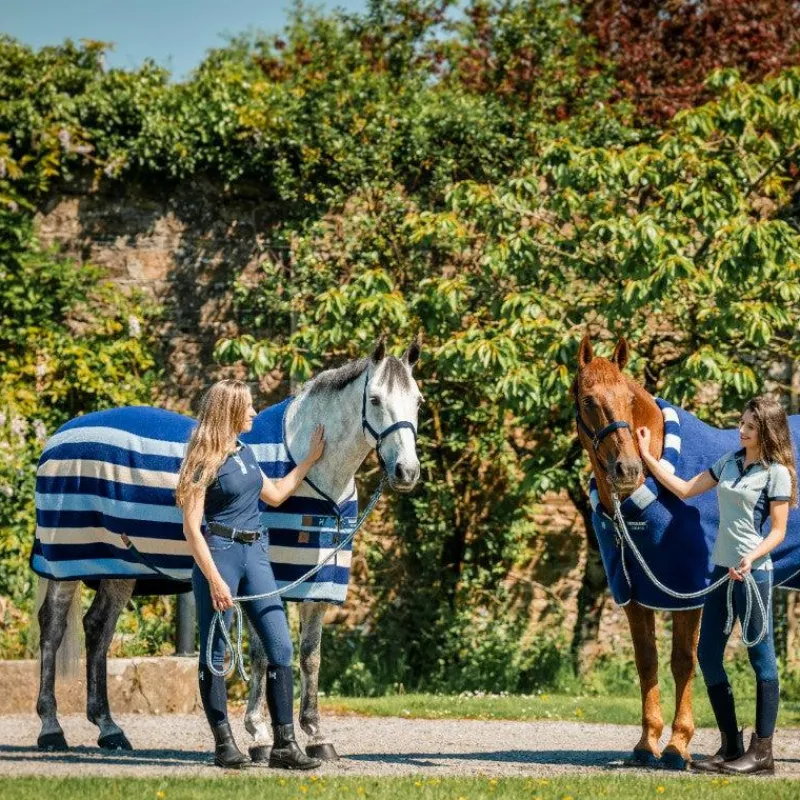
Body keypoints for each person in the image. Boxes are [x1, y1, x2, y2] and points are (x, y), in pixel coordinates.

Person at [636, 395, 797, 776]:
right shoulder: (729, 463)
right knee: (707, 655)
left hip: (754, 573)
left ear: (767, 431)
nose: (741, 431)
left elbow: (778, 531)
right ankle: (730, 744)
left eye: (750, 427)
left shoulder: (778, 473)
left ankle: (763, 754)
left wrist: (752, 557)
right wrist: (645, 455)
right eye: (741, 423)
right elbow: (685, 488)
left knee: (761, 658)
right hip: (722, 572)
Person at [176, 379, 325, 770]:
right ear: (229, 411)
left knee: (281, 648)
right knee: (215, 655)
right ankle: (224, 744)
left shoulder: (246, 452)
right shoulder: (201, 459)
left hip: (256, 556)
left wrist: (308, 461)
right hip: (220, 556)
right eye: (248, 407)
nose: (255, 413)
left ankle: (284, 745)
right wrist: (214, 580)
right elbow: (192, 528)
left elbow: (274, 495)